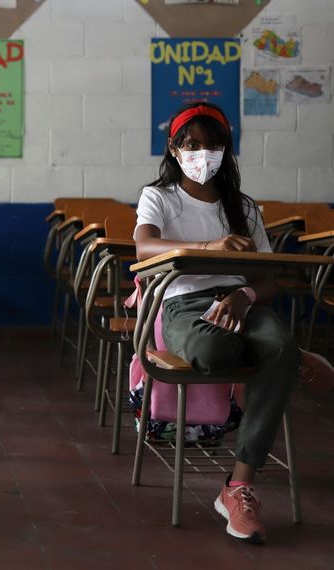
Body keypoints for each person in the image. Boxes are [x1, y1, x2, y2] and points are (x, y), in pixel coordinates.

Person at [134, 101, 298, 545]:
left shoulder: (242, 206)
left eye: (214, 145)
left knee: (278, 345)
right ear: (174, 148)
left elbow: (269, 280)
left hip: (240, 302)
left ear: (227, 150)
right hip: (184, 302)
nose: (203, 153)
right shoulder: (160, 197)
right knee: (216, 351)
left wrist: (243, 295)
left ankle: (238, 486)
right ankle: (286, 361)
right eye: (192, 145)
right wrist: (211, 246)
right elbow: (144, 250)